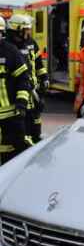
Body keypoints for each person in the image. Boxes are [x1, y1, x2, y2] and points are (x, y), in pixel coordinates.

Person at [6, 14, 48, 144]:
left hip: (33, 93)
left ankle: (35, 141)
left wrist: (44, 78)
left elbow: (38, 63)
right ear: (17, 29)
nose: (29, 32)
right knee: (22, 127)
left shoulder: (31, 43)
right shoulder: (8, 46)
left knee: (35, 120)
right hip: (19, 93)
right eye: (26, 29)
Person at [0, 16, 31, 164]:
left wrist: (21, 103)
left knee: (11, 153)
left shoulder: (10, 52)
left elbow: (23, 79)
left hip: (10, 116)